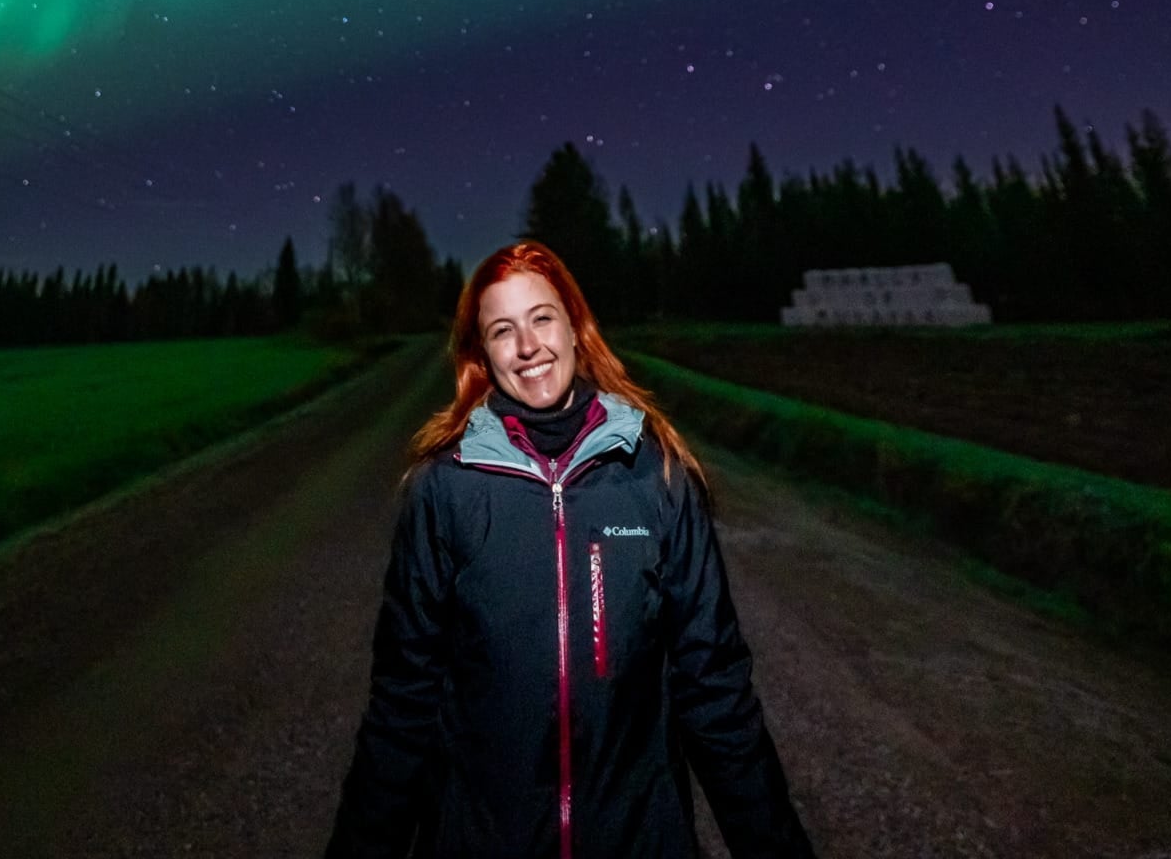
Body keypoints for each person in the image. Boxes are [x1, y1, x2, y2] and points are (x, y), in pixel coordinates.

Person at [326, 240, 815, 859]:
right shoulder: (443, 490)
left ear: (576, 329)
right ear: (482, 355)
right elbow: (402, 704)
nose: (528, 346)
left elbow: (715, 689)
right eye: (503, 330)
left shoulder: (657, 478)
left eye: (542, 318)